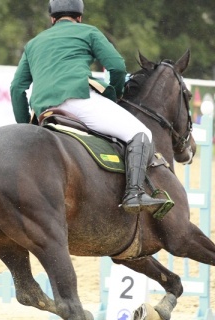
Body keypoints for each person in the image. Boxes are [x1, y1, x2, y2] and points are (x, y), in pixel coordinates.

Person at [10, 0, 169, 216]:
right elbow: (117, 66)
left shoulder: (33, 43)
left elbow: (17, 88)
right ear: (79, 17)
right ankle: (133, 193)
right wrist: (114, 93)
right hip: (79, 101)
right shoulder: (88, 32)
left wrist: (25, 127)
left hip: (45, 111)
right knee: (141, 133)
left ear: (52, 19)